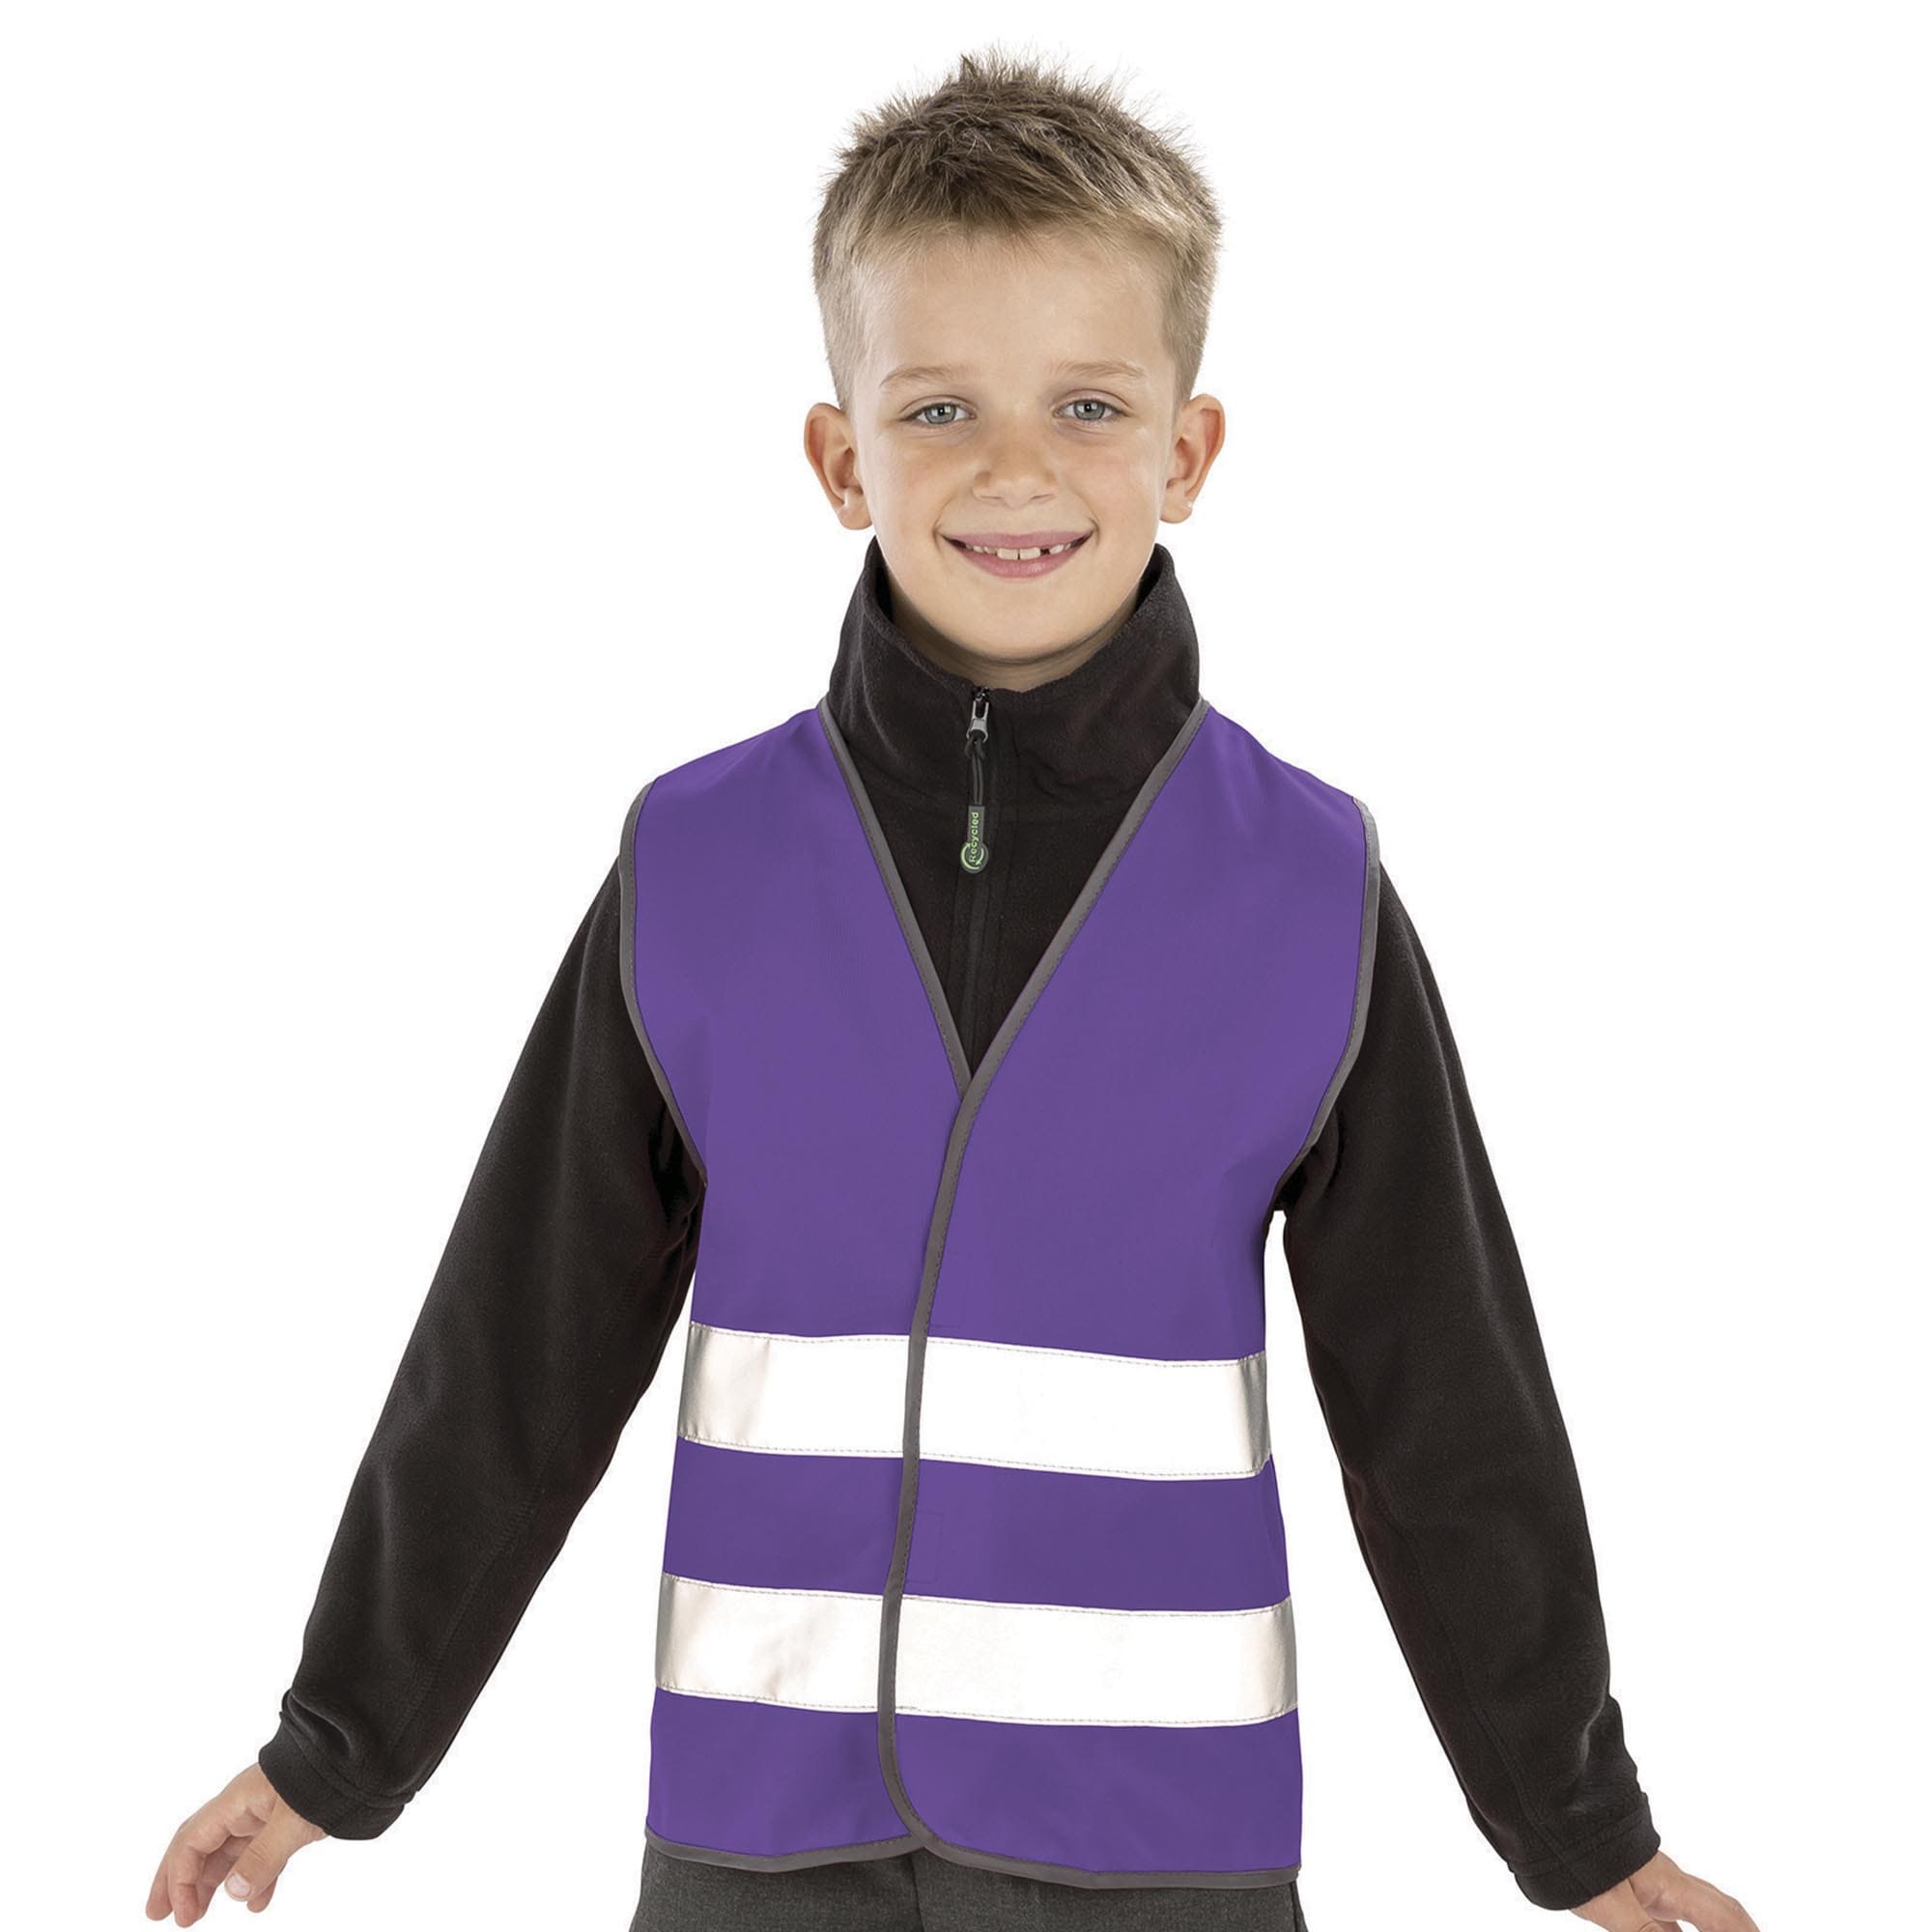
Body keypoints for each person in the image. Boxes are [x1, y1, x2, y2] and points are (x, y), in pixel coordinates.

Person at [149, 44, 1760, 1932]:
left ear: (1187, 452)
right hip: (758, 1841)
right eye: (937, 408)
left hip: (1159, 1848)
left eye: (1088, 403)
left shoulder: (1308, 888)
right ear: (841, 459)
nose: (1015, 468)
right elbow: (517, 1346)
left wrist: (1574, 1828)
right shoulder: (695, 864)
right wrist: (336, 1749)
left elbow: (1445, 1398)